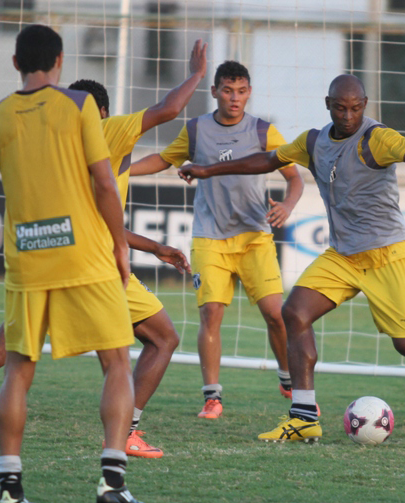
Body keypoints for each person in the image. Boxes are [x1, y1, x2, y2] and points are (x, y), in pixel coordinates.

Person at [0, 40, 208, 459]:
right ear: (100, 112)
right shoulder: (107, 130)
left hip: (41, 255)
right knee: (154, 343)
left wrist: (154, 245)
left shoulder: (45, 133)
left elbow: (96, 207)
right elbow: (167, 110)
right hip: (97, 267)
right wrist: (196, 73)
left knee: (2, 353)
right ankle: (121, 447)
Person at [178, 74, 405, 442]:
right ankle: (304, 415)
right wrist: (207, 170)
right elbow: (264, 161)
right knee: (293, 313)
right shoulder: (313, 142)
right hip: (342, 257)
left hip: (387, 256)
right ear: (328, 105)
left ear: (365, 104)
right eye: (340, 108)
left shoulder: (376, 138)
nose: (348, 116)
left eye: (356, 108)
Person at [0, 25, 142, 503]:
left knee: (17, 369)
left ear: (15, 63)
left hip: (26, 255)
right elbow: (104, 184)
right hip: (84, 254)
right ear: (60, 61)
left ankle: (10, 489)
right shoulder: (79, 106)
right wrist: (120, 245)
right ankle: (111, 483)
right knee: (116, 362)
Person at [130, 60, 304, 419]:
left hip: (255, 235)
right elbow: (163, 159)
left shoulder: (263, 132)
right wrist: (121, 169)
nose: (234, 98)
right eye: (227, 90)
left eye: (241, 91)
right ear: (214, 92)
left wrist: (287, 205)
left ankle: (288, 379)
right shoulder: (196, 131)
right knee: (211, 313)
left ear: (249, 92)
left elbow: (295, 178)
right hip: (209, 237)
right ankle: (212, 397)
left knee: (276, 315)